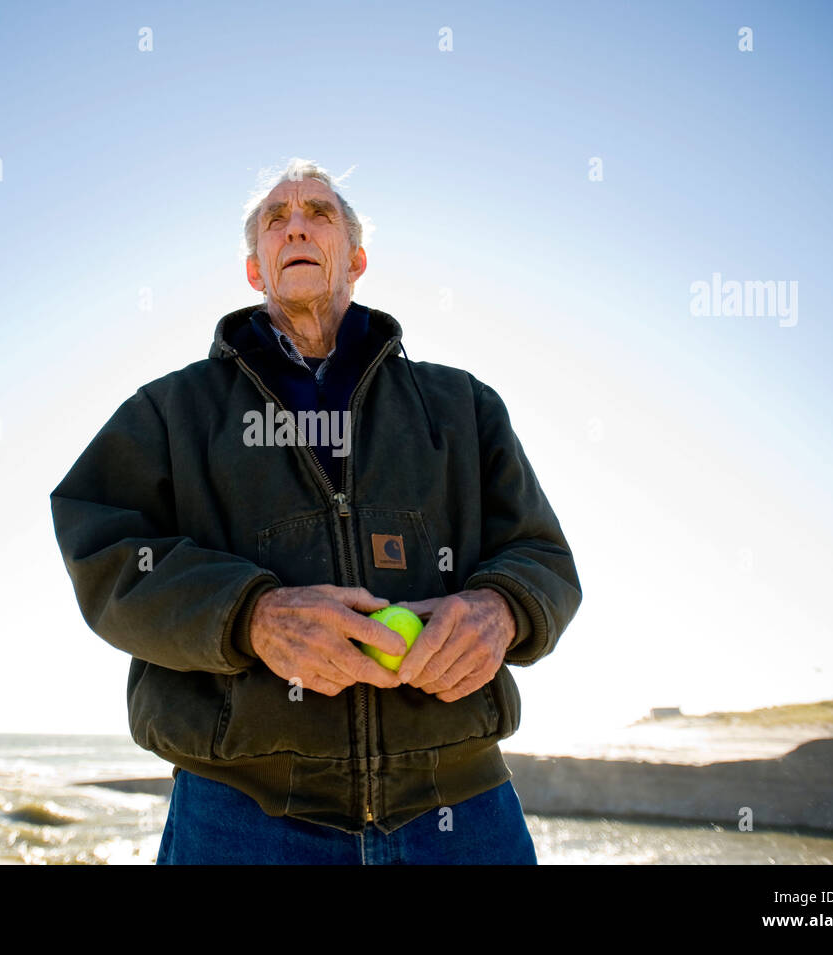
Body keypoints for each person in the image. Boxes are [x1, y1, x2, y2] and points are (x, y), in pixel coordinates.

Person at [50, 158, 582, 864]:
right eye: (276, 219)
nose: (295, 224)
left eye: (318, 213)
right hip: (239, 818)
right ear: (255, 269)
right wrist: (250, 615)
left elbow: (542, 557)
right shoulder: (171, 411)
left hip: (461, 810)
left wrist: (502, 608)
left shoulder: (463, 406)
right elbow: (101, 545)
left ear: (356, 258)